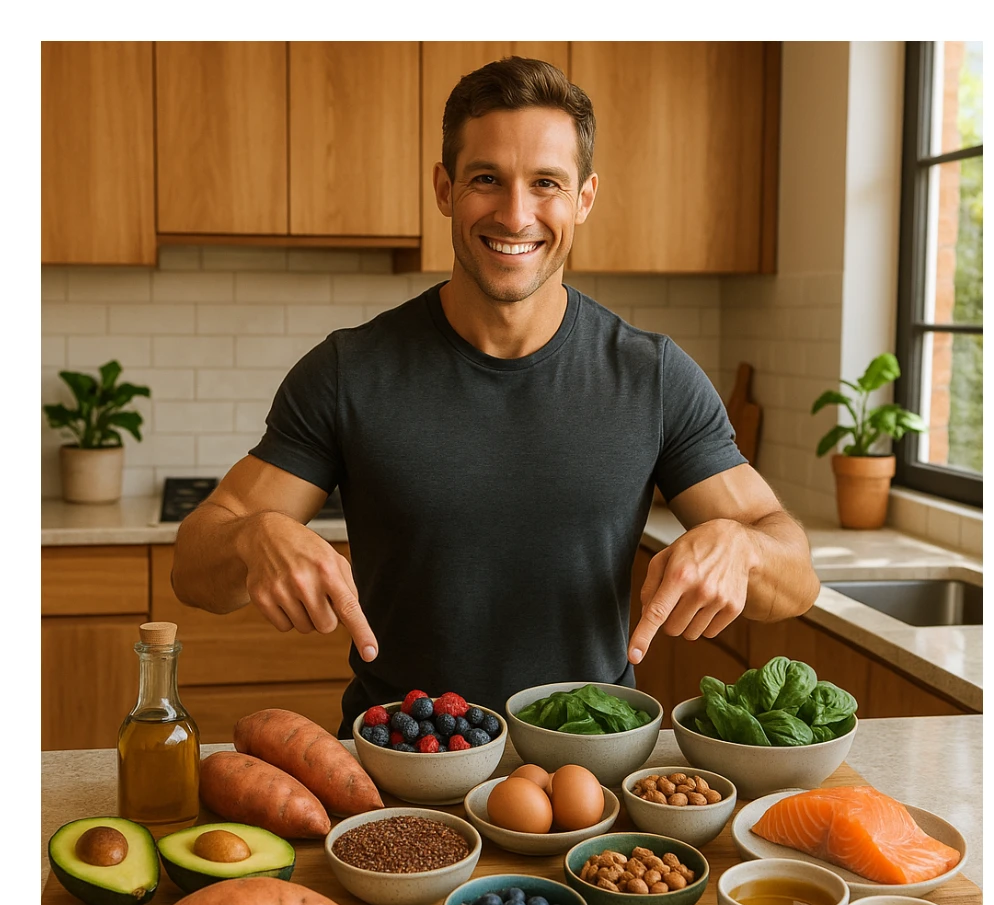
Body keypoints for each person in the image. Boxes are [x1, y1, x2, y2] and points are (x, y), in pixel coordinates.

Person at [171, 56, 820, 741]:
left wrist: (742, 551)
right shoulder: (348, 371)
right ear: (445, 189)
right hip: (401, 765)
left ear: (584, 199)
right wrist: (254, 536)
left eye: (546, 183)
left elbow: (797, 578)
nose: (516, 213)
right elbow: (194, 570)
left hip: (589, 769)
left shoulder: (653, 376)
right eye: (487, 179)